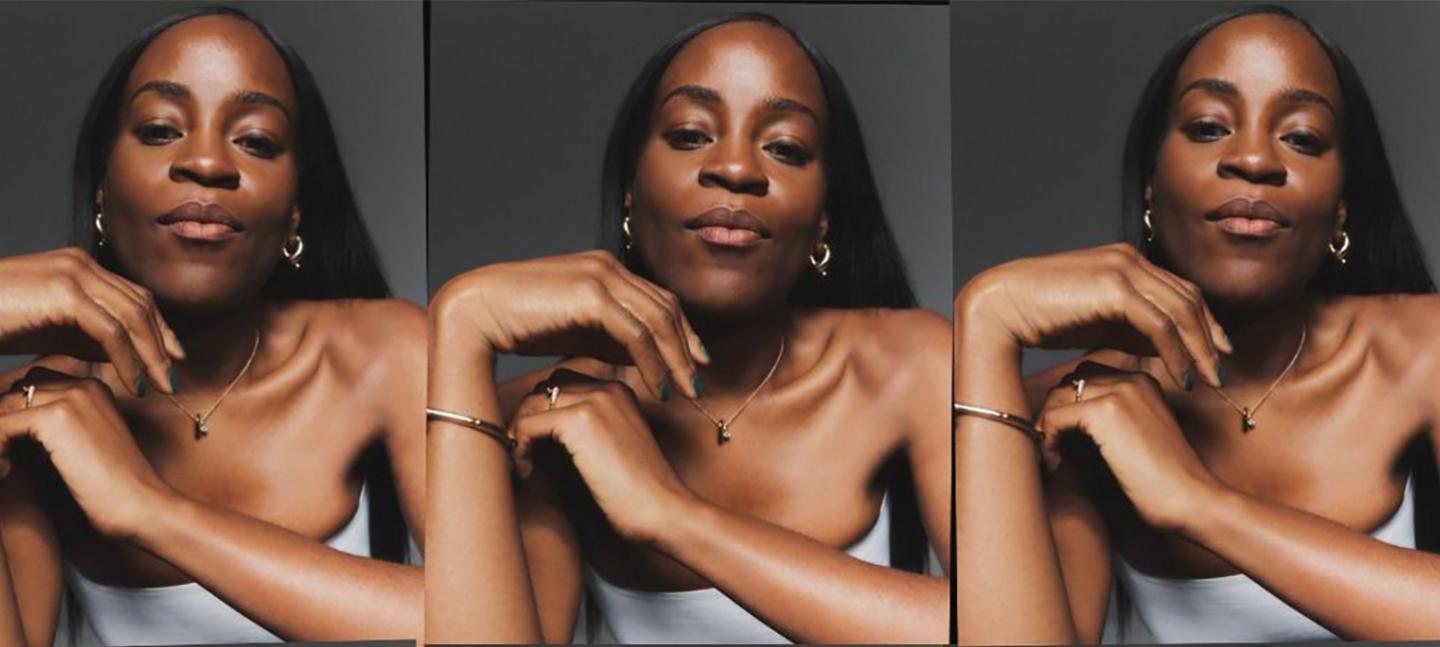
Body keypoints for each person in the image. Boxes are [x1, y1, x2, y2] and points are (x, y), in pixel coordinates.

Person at [426, 13, 950, 644]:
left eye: (784, 147)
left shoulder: (911, 362)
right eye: (690, 135)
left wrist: (674, 517)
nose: (734, 168)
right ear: (630, 193)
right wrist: (462, 325)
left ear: (822, 225)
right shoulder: (560, 417)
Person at [954, 5, 1440, 643]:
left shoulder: (1421, 348)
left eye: (1302, 138)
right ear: (1151, 186)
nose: (1254, 159)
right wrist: (985, 320)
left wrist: (1201, 504)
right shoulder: (1080, 408)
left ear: (1341, 209)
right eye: (1210, 127)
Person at [0, 7, 423, 645]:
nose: (205, 162)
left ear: (295, 213)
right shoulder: (43, 410)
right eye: (160, 129)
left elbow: (489, 623)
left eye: (254, 140)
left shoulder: (386, 351)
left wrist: (154, 513)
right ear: (103, 192)